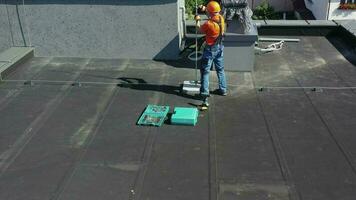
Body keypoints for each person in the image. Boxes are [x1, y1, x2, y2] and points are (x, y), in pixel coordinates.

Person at [195, 1, 227, 108]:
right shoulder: (221, 18)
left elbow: (198, 30)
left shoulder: (208, 24)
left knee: (205, 71)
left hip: (210, 50)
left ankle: (204, 92)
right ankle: (223, 89)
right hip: (220, 47)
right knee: (220, 69)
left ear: (210, 11)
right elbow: (212, 14)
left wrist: (198, 20)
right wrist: (204, 9)